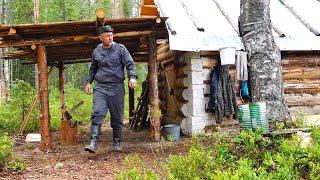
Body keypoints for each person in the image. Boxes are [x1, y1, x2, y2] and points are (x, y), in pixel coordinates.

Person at [84, 25, 137, 153]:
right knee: (97, 112)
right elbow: (93, 69)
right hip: (101, 87)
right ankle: (93, 143)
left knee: (117, 116)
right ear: (101, 37)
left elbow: (130, 64)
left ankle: (117, 142)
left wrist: (132, 77)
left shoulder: (120, 49)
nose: (110, 37)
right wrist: (89, 82)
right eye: (107, 36)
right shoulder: (96, 51)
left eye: (111, 35)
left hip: (117, 87)